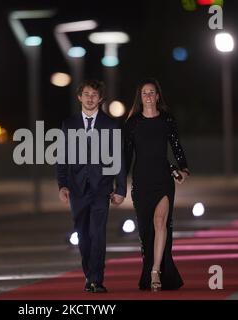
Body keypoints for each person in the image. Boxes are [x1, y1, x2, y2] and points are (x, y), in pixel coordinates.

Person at [57, 79, 127, 293]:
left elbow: (118, 158)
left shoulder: (110, 124)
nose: (90, 98)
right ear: (79, 97)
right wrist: (62, 184)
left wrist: (121, 188)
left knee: (98, 233)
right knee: (83, 234)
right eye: (86, 94)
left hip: (101, 188)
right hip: (77, 188)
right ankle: (89, 274)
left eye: (94, 94)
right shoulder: (69, 124)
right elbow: (62, 157)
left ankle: (96, 279)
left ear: (100, 98)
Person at [124, 78, 190, 291]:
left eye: (152, 92)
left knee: (160, 222)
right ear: (140, 98)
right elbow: (126, 156)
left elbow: (176, 145)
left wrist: (184, 167)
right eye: (145, 93)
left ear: (158, 96)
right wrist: (117, 185)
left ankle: (155, 272)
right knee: (146, 231)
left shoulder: (166, 120)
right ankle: (151, 268)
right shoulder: (132, 123)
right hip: (141, 182)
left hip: (163, 180)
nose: (149, 96)